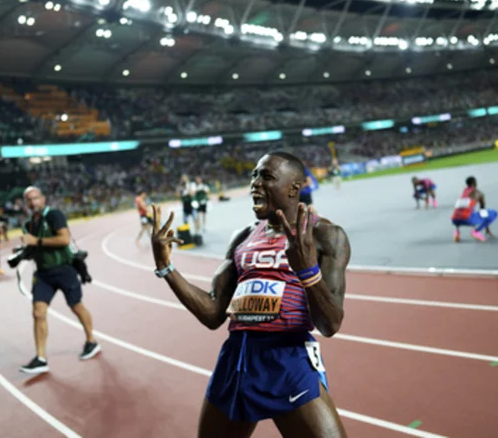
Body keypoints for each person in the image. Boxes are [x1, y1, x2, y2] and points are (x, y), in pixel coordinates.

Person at [150, 151, 350, 437]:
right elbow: (212, 313)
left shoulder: (326, 236)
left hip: (288, 359)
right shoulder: (243, 237)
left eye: (266, 176)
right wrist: (166, 267)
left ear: (295, 187)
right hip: (238, 358)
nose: (255, 183)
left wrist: (307, 271)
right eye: (253, 175)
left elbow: (330, 324)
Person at [19, 186, 101, 374]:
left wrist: (36, 242)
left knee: (76, 306)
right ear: (26, 203)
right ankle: (40, 358)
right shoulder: (29, 224)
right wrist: (22, 254)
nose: (33, 202)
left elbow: (64, 239)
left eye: (36, 198)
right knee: (38, 313)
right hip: (43, 274)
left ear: (43, 198)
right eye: (29, 200)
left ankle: (91, 341)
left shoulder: (54, 215)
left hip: (64, 269)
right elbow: (33, 246)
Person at [451, 176, 497, 242]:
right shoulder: (478, 193)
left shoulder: (462, 191)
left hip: (454, 220)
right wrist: (487, 228)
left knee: (462, 212)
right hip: (467, 219)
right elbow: (483, 212)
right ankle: (476, 231)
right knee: (494, 213)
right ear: (474, 183)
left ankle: (457, 232)